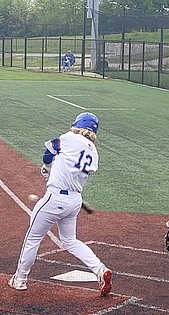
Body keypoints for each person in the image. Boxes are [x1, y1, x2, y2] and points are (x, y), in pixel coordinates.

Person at [9, 112, 113, 297]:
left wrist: (47, 169)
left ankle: (20, 279)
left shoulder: (70, 138)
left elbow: (48, 152)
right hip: (74, 201)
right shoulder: (93, 152)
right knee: (70, 240)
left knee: (33, 238)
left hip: (54, 198)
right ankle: (100, 269)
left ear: (77, 124)